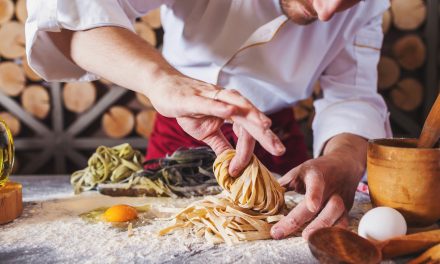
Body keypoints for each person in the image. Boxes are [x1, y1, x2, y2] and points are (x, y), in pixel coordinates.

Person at [25, 0, 392, 240]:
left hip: (278, 144)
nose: (327, 12)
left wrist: (343, 160)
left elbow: (352, 96)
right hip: (182, 131)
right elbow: (66, 11)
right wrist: (161, 81)